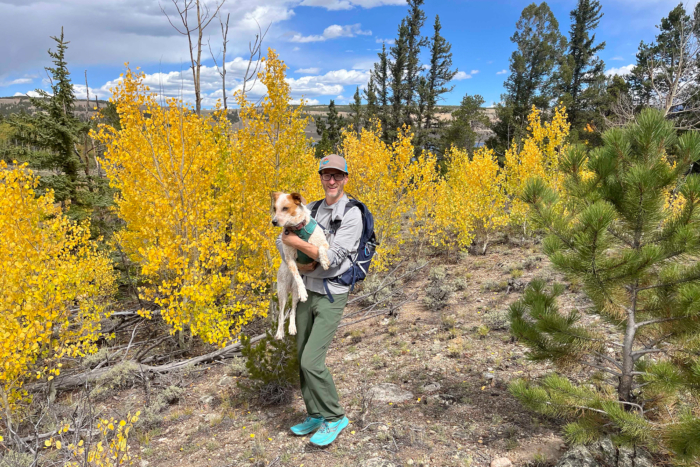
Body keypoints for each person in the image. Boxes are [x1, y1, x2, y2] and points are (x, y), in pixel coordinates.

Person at [276, 154, 362, 447]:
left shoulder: (352, 214)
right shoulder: (309, 208)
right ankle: (315, 414)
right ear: (322, 178)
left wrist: (298, 244)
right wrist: (298, 261)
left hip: (331, 294)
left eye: (338, 175)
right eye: (327, 174)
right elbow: (282, 240)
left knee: (313, 360)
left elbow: (334, 259)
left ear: (346, 178)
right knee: (301, 359)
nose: (332, 180)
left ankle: (335, 416)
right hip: (304, 293)